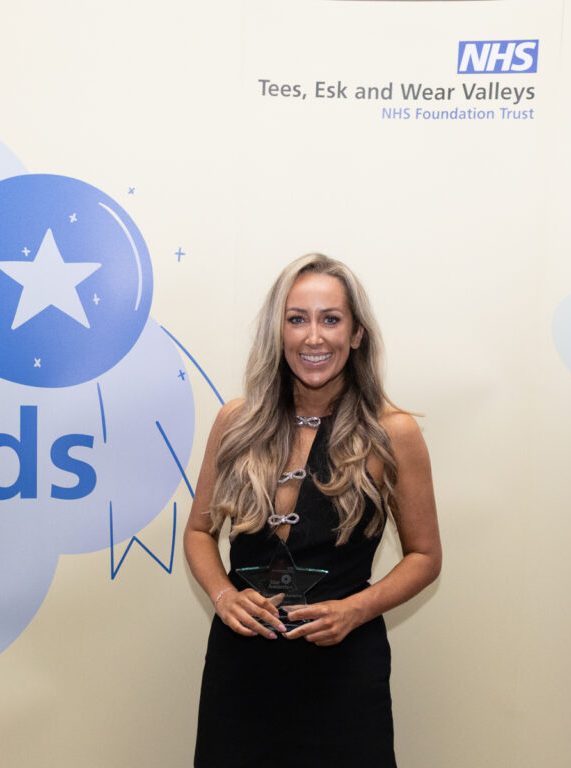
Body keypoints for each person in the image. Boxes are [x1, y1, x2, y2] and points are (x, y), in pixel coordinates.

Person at [185, 253, 441, 767]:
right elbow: (198, 531)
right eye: (297, 319)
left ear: (356, 334)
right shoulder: (235, 421)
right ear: (277, 332)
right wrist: (222, 595)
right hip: (241, 672)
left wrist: (357, 610)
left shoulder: (394, 432)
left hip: (345, 674)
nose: (313, 337)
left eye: (331, 319)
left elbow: (424, 556)